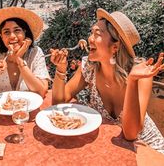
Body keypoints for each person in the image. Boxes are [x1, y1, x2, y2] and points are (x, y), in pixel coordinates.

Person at [50, 8, 164, 154]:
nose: (90, 38)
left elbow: (130, 134)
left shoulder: (140, 75)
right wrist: (60, 68)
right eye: (91, 32)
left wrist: (132, 81)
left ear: (115, 47)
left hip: (146, 149)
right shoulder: (89, 67)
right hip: (111, 149)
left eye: (97, 34)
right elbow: (58, 103)